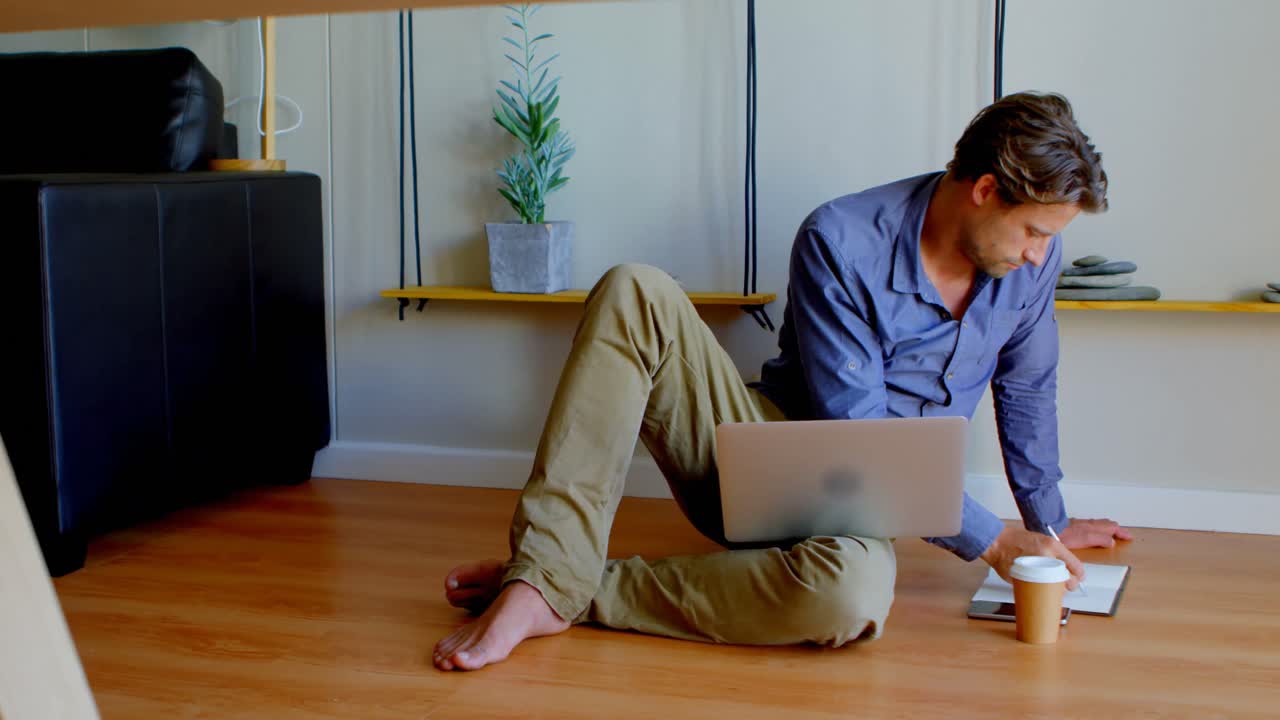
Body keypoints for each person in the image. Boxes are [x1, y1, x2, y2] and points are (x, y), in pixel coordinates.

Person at [431, 91, 1133, 672]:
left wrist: (1047, 526)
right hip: (767, 459)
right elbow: (858, 436)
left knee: (849, 599)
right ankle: (547, 572)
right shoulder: (843, 238)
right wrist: (997, 542)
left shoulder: (1031, 266)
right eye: (1034, 232)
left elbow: (1027, 386)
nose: (1041, 255)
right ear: (984, 191)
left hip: (864, 511)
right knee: (634, 289)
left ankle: (567, 589)